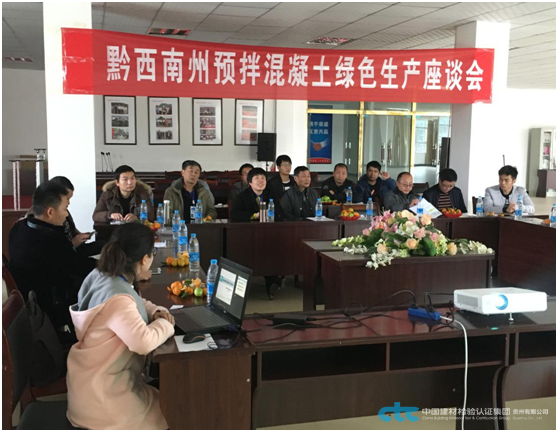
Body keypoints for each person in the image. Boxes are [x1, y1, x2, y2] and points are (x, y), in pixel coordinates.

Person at [66, 223, 175, 430]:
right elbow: (143, 342)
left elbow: (131, 301)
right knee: (171, 412)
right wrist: (165, 324)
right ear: (144, 259)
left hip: (89, 382)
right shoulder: (118, 299)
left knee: (164, 400)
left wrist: (154, 311)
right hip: (102, 399)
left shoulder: (101, 275)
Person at [9, 181, 97, 338]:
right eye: (65, 208)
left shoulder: (18, 227)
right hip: (49, 308)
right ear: (50, 212)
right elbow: (81, 268)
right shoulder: (51, 239)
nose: (66, 214)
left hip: (26, 303)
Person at [230, 168, 284, 299]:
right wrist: (254, 215)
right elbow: (235, 215)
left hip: (270, 233)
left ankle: (273, 281)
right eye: (257, 179)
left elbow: (280, 213)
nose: (260, 181)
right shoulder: (242, 196)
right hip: (248, 235)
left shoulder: (271, 195)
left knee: (273, 253)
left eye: (263, 178)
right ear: (250, 182)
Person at [49, 176, 106, 256]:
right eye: (67, 198)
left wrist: (80, 236)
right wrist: (73, 242)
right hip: (67, 253)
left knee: (105, 245)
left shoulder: (64, 210)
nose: (69, 202)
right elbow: (57, 250)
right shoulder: (48, 216)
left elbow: (71, 229)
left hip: (75, 247)